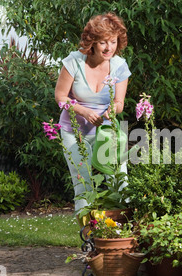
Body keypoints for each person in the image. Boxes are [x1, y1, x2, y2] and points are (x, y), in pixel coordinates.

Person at [54, 12, 131, 218]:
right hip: (74, 132)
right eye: (103, 42)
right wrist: (83, 111)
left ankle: (120, 233)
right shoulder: (74, 62)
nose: (109, 48)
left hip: (106, 131)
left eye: (113, 42)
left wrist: (110, 111)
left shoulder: (120, 67)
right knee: (84, 185)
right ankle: (88, 237)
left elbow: (119, 103)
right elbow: (61, 97)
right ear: (92, 43)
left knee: (119, 182)